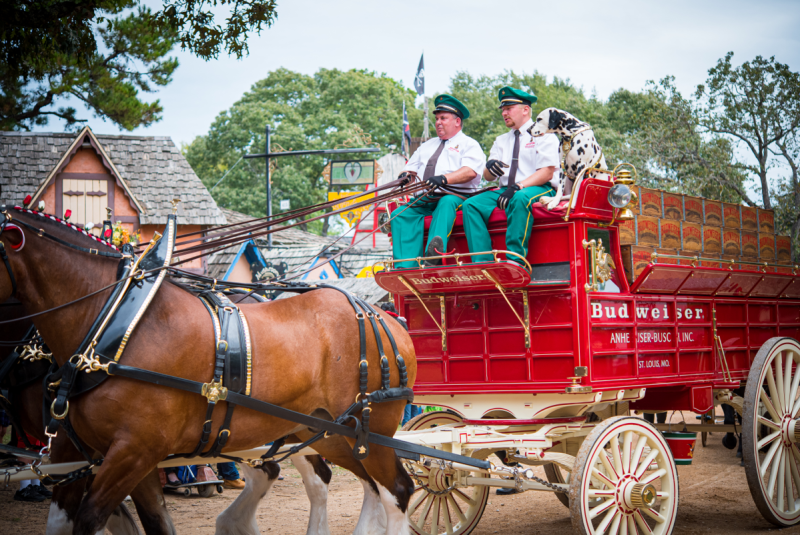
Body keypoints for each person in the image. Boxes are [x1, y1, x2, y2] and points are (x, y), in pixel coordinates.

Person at [461, 87, 560, 268]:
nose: (504, 113)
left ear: (525, 110)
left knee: (521, 198)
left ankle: (515, 261)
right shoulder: (501, 141)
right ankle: (483, 262)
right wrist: (490, 168)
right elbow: (488, 176)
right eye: (503, 110)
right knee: (470, 205)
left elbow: (547, 172)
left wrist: (518, 186)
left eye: (509, 108)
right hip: (507, 189)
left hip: (541, 187)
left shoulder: (544, 135)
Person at [390, 94, 486, 268]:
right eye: (436, 119)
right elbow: (410, 168)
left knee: (446, 202)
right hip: (425, 198)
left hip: (455, 196)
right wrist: (404, 177)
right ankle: (405, 266)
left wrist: (444, 179)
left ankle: (433, 256)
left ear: (457, 121)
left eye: (443, 118)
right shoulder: (426, 145)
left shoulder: (469, 144)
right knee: (399, 214)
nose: (438, 122)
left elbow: (470, 171)